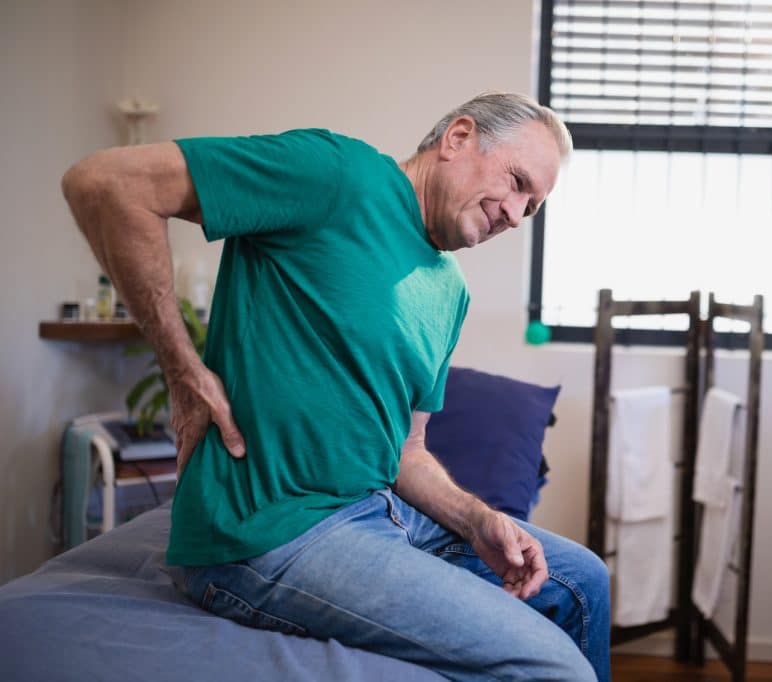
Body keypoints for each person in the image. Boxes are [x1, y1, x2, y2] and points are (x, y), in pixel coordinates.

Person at [62, 92, 610, 682]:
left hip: (382, 513)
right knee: (555, 668)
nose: (516, 214)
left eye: (532, 206)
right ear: (457, 138)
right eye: (517, 181)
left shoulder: (450, 291)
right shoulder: (336, 174)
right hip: (276, 531)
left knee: (583, 582)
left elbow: (406, 451)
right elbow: (106, 183)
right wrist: (182, 370)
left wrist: (477, 519)